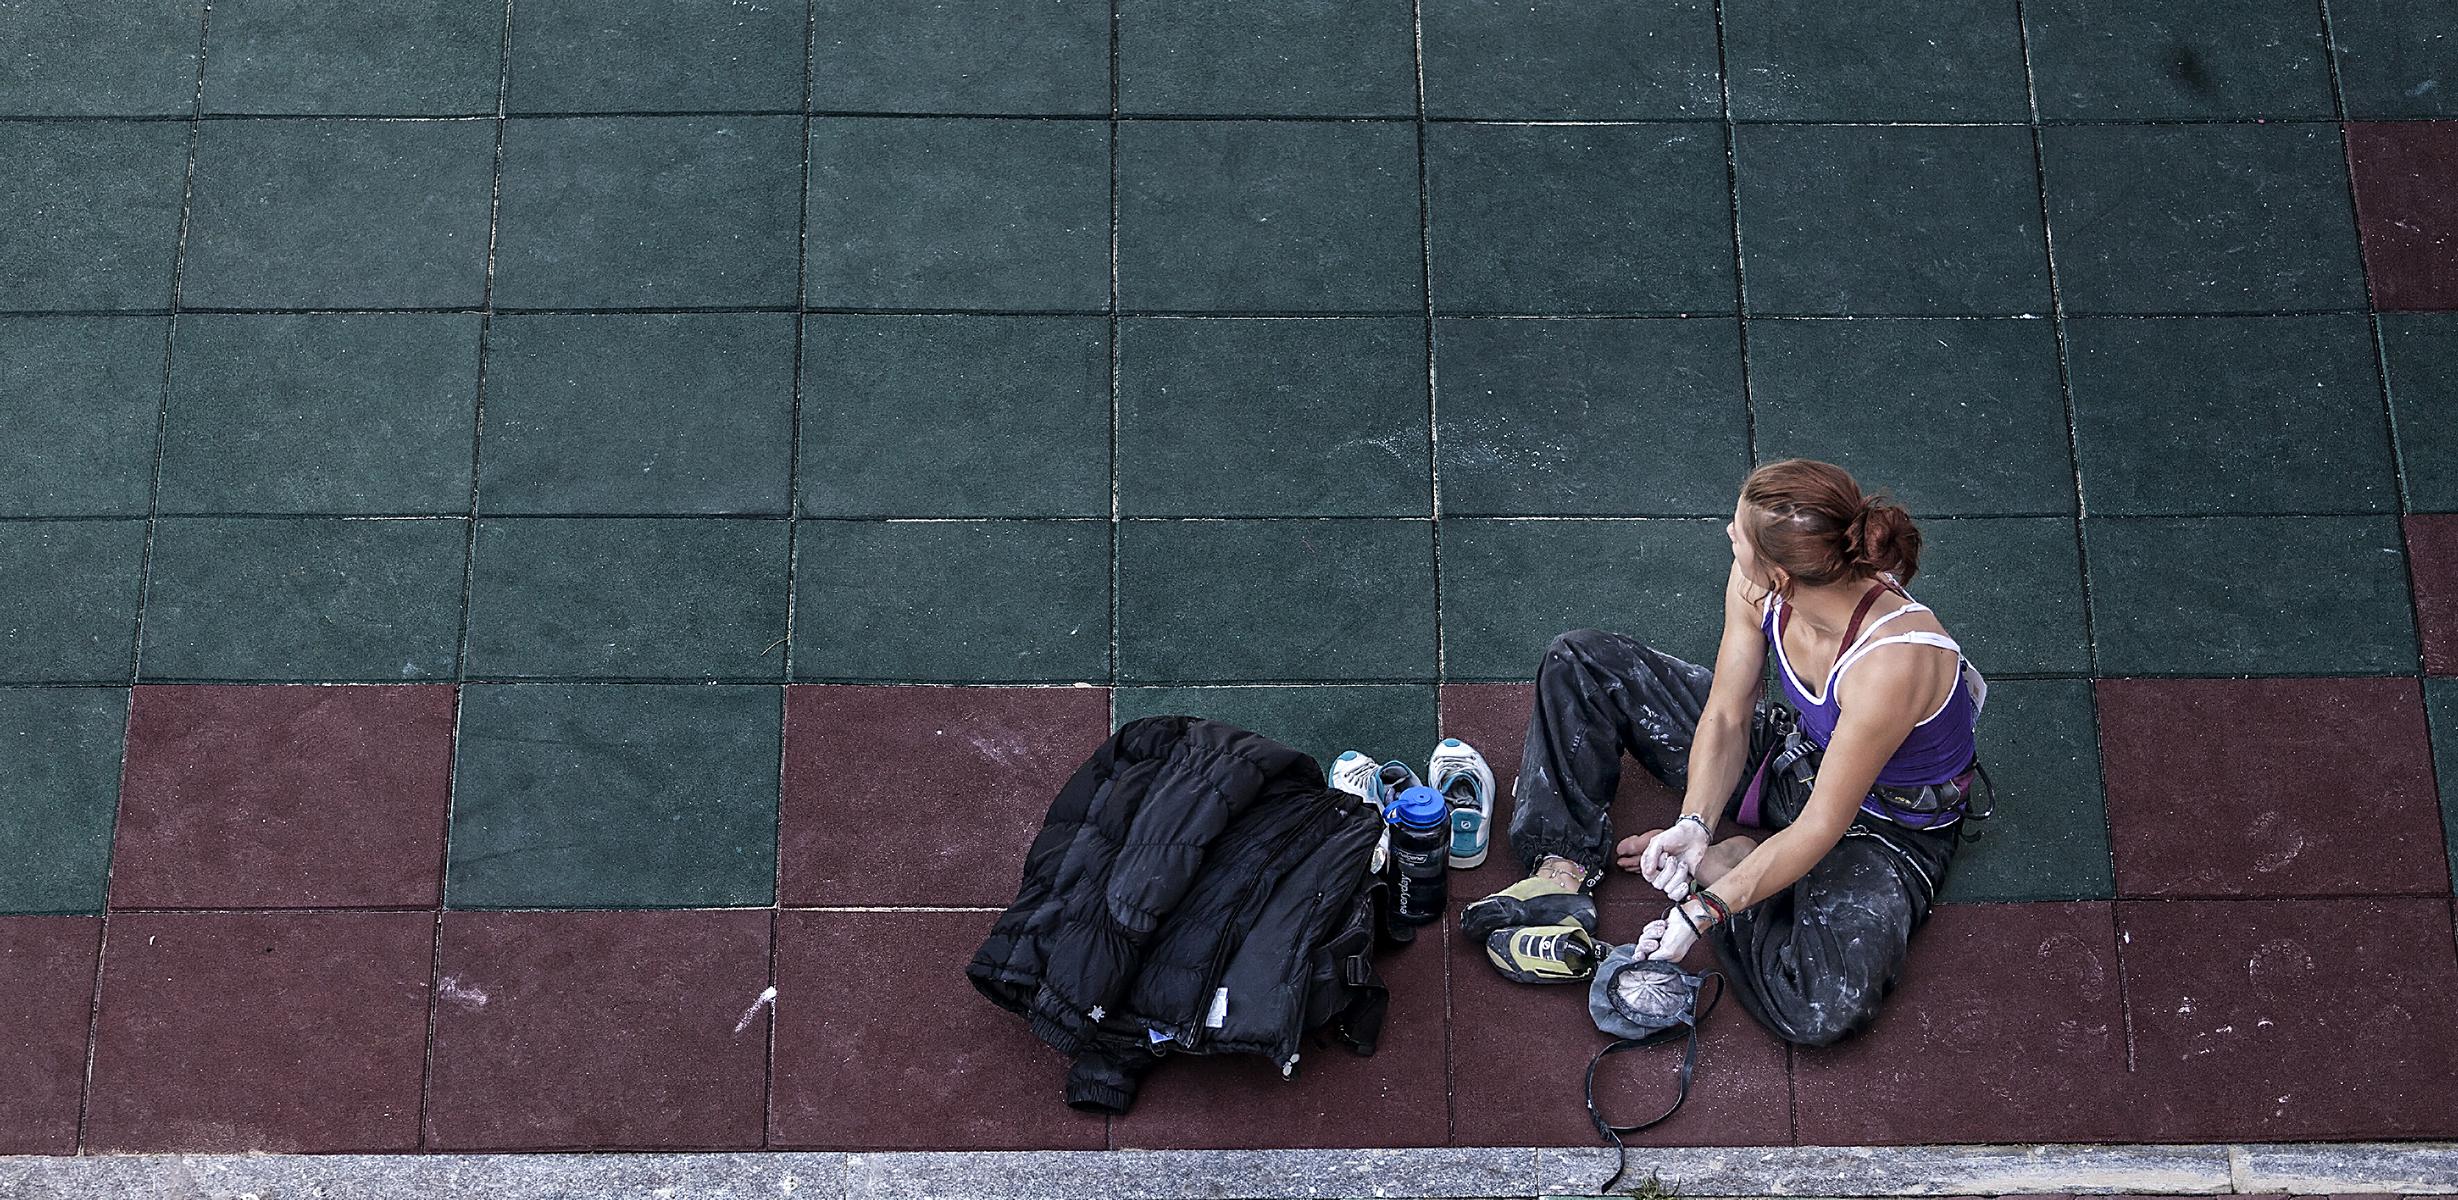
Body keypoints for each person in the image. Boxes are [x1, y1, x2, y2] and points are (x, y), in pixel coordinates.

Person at [1465, 459, 1989, 1046]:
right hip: (1803, 759)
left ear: (1782, 575)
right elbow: (1726, 715)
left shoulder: (1894, 661)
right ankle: (1560, 870)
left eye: (1738, 533)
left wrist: (1706, 908)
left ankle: (1741, 866)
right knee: (1582, 663)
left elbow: (1823, 823)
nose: (1729, 534)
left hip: (1886, 825)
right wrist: (1695, 823)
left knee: (1821, 1009)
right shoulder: (1756, 586)